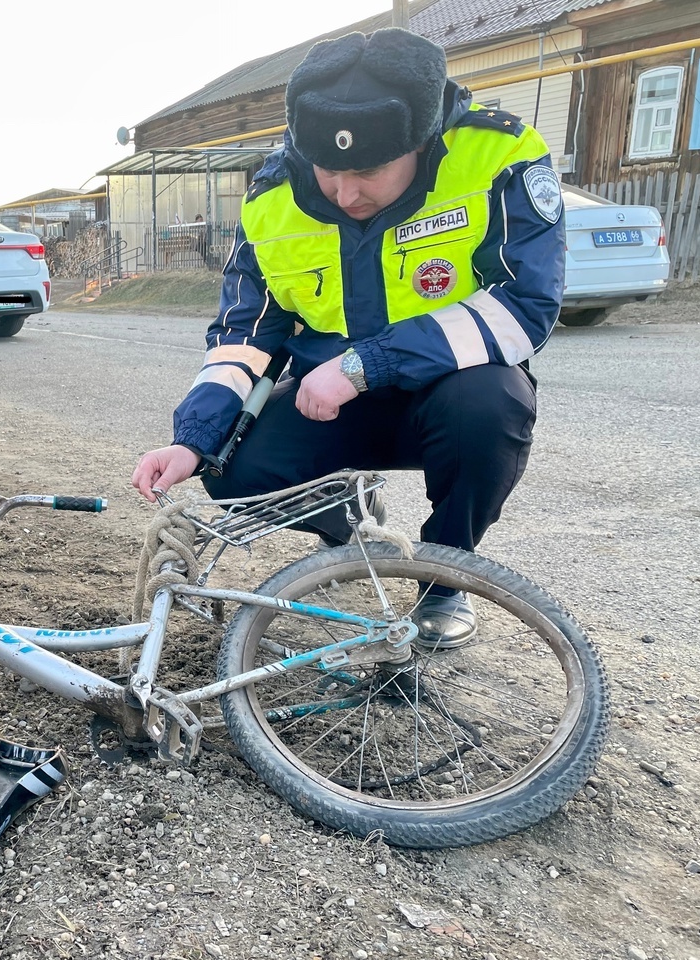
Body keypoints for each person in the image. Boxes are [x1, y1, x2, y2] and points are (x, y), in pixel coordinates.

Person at [131, 28, 565, 649]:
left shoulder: (499, 155)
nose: (346, 192)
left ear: (420, 140)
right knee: (226, 465)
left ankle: (443, 578)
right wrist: (193, 438)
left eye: (368, 171)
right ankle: (347, 519)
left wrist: (366, 364)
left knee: (492, 406)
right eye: (330, 171)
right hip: (327, 400)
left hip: (449, 392)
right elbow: (245, 334)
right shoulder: (273, 196)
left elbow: (524, 306)